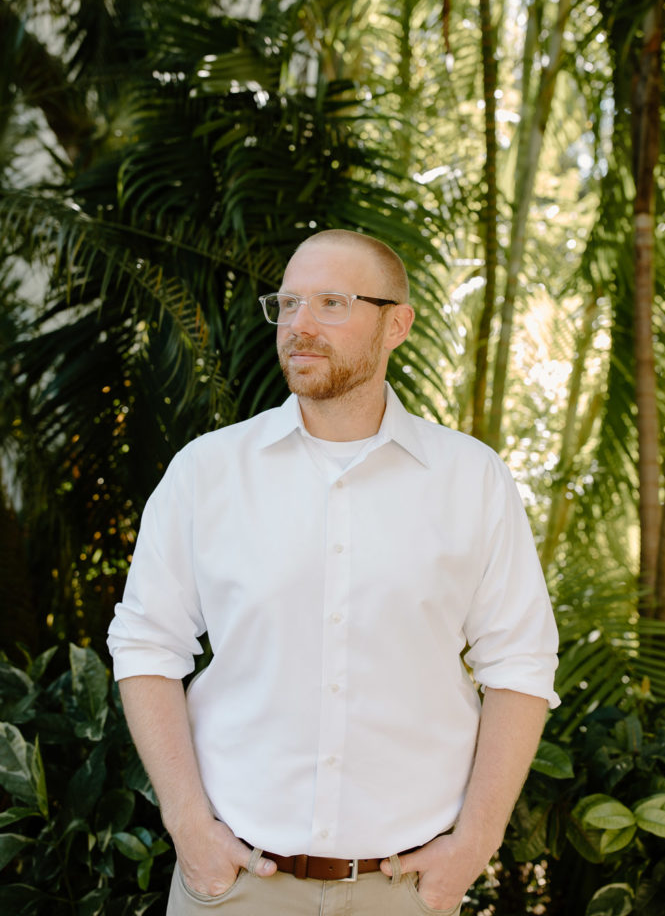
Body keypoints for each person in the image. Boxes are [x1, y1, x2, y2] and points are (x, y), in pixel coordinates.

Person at [107, 228, 560, 916]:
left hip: (406, 889)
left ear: (396, 325)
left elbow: (519, 664)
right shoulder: (206, 472)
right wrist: (187, 825)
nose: (299, 326)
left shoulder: (471, 479)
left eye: (331, 303)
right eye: (287, 304)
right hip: (233, 884)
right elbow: (145, 645)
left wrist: (475, 843)